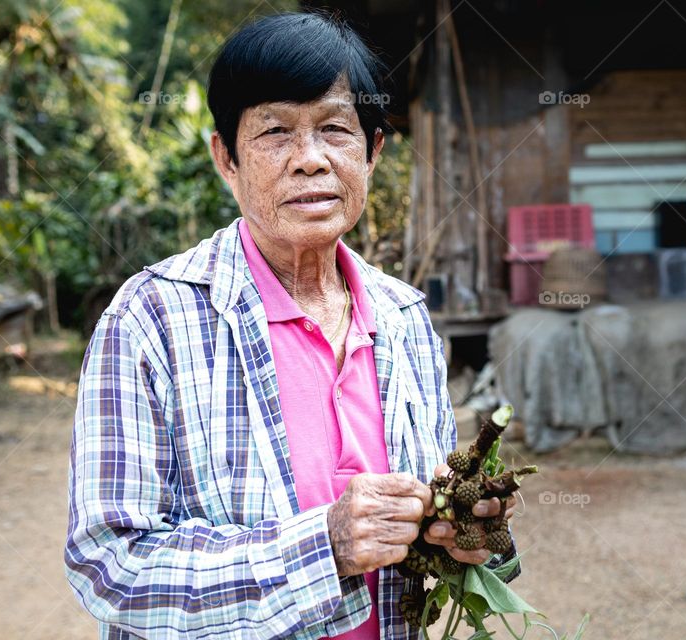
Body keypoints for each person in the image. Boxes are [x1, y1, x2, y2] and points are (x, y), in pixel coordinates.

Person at [64, 11, 519, 639]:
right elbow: (109, 566)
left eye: (336, 129)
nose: (310, 160)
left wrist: (469, 531)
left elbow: (431, 535)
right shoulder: (151, 320)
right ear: (226, 158)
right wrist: (324, 546)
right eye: (275, 132)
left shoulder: (406, 318)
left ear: (373, 151)